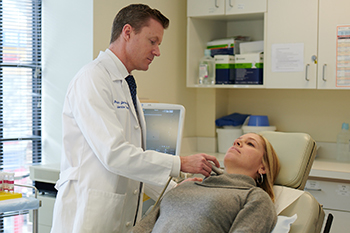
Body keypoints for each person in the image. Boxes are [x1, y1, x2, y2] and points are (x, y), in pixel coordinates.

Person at [50, 4, 219, 233]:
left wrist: (175, 190)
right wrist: (180, 163)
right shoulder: (92, 79)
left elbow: (135, 165)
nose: (157, 51)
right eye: (153, 41)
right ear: (127, 32)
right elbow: (115, 154)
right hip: (89, 217)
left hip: (118, 218)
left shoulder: (126, 86)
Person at [132, 133, 281, 233]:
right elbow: (143, 227)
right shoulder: (188, 185)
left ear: (263, 167)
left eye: (250, 144)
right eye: (238, 140)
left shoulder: (255, 198)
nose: (237, 142)